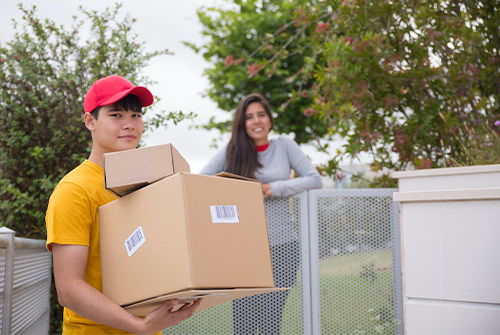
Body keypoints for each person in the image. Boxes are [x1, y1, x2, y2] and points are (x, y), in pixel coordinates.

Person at [45, 75, 201, 335]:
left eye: (136, 116)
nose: (129, 125)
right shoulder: (74, 191)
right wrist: (138, 326)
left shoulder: (148, 185)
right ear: (90, 121)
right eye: (116, 115)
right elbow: (69, 289)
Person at [200, 93, 322, 334]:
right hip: (243, 249)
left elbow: (315, 180)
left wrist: (273, 188)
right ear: (242, 123)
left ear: (269, 119)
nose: (256, 121)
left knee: (270, 324)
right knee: (243, 325)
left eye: (261, 115)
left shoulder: (284, 146)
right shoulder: (232, 151)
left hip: (282, 247)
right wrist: (235, 192)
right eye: (249, 117)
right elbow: (201, 179)